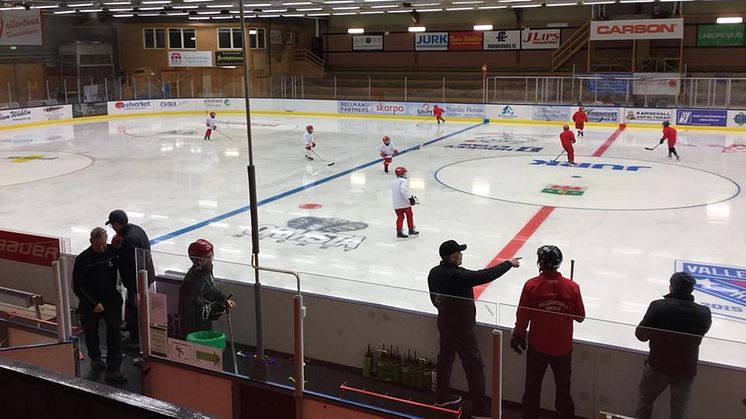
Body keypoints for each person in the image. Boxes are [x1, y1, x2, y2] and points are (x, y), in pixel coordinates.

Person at [428, 240, 521, 417]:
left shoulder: (434, 273)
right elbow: (484, 275)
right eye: (459, 253)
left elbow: (434, 300)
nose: (462, 255)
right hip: (461, 328)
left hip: (445, 322)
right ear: (452, 257)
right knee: (474, 366)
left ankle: (441, 395)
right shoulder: (457, 276)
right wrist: (509, 263)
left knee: (445, 359)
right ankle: (479, 407)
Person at [511, 245, 585, 419]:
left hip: (538, 346)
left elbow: (523, 315)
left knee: (532, 387)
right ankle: (566, 415)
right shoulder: (572, 287)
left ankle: (530, 416)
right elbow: (580, 316)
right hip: (563, 348)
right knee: (563, 388)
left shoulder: (532, 285)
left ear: (541, 263)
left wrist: (518, 335)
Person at [634, 272, 712, 419]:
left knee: (645, 402)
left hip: (658, 366)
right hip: (686, 369)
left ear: (671, 287)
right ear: (691, 290)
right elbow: (700, 336)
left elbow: (641, 335)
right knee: (679, 410)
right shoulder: (704, 313)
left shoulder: (659, 307)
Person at [72, 227, 126, 382]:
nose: (101, 248)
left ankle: (113, 369)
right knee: (91, 332)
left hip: (111, 301)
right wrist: (93, 303)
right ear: (90, 242)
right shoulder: (83, 259)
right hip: (91, 303)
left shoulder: (113, 252)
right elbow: (77, 285)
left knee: (114, 333)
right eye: (97, 245)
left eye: (103, 244)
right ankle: (95, 358)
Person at [106, 209, 153, 352]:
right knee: (132, 309)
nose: (113, 229)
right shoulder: (137, 229)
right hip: (143, 278)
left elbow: (131, 266)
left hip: (137, 282)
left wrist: (136, 290)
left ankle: (135, 339)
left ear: (117, 224)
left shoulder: (128, 240)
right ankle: (132, 331)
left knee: (135, 310)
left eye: (112, 225)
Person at [178, 239, 236, 338]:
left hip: (205, 326)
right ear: (197, 260)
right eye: (207, 258)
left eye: (211, 256)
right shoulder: (191, 282)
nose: (211, 260)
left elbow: (211, 288)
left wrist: (224, 300)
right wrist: (215, 308)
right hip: (193, 332)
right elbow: (186, 312)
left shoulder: (207, 269)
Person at [391, 166, 418, 238]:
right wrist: (410, 198)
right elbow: (403, 190)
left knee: (400, 217)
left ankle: (399, 232)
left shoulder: (393, 182)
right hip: (404, 203)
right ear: (402, 174)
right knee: (409, 215)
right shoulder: (404, 181)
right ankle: (411, 230)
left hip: (396, 204)